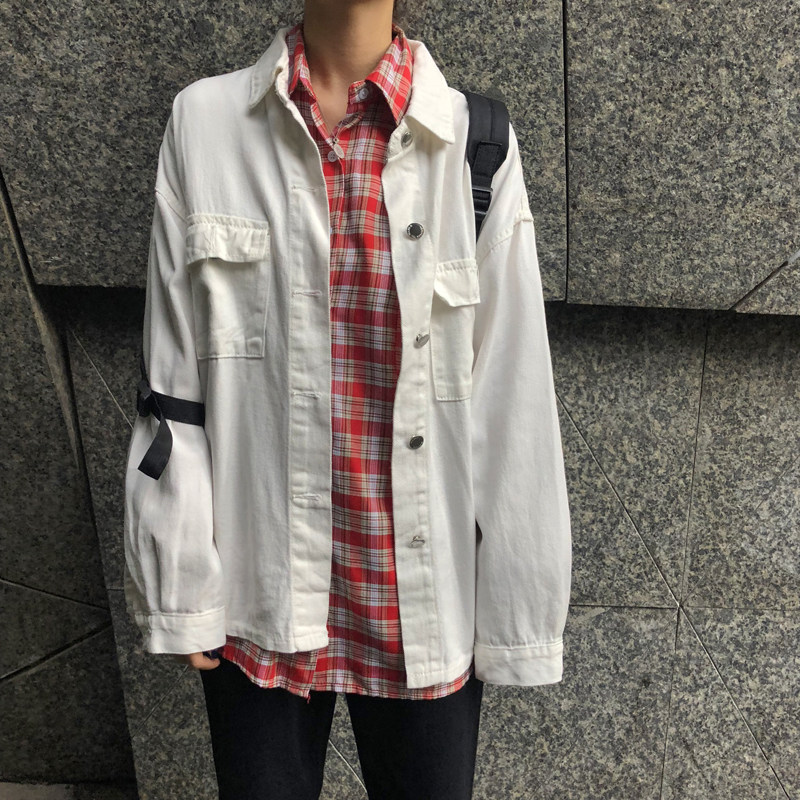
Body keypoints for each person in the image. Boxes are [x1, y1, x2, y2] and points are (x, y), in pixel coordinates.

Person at [123, 0, 573, 797]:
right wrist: (179, 579)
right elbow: (174, 377)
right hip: (259, 595)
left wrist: (519, 617)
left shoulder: (474, 145)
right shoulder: (206, 124)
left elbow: (514, 398)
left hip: (422, 606)